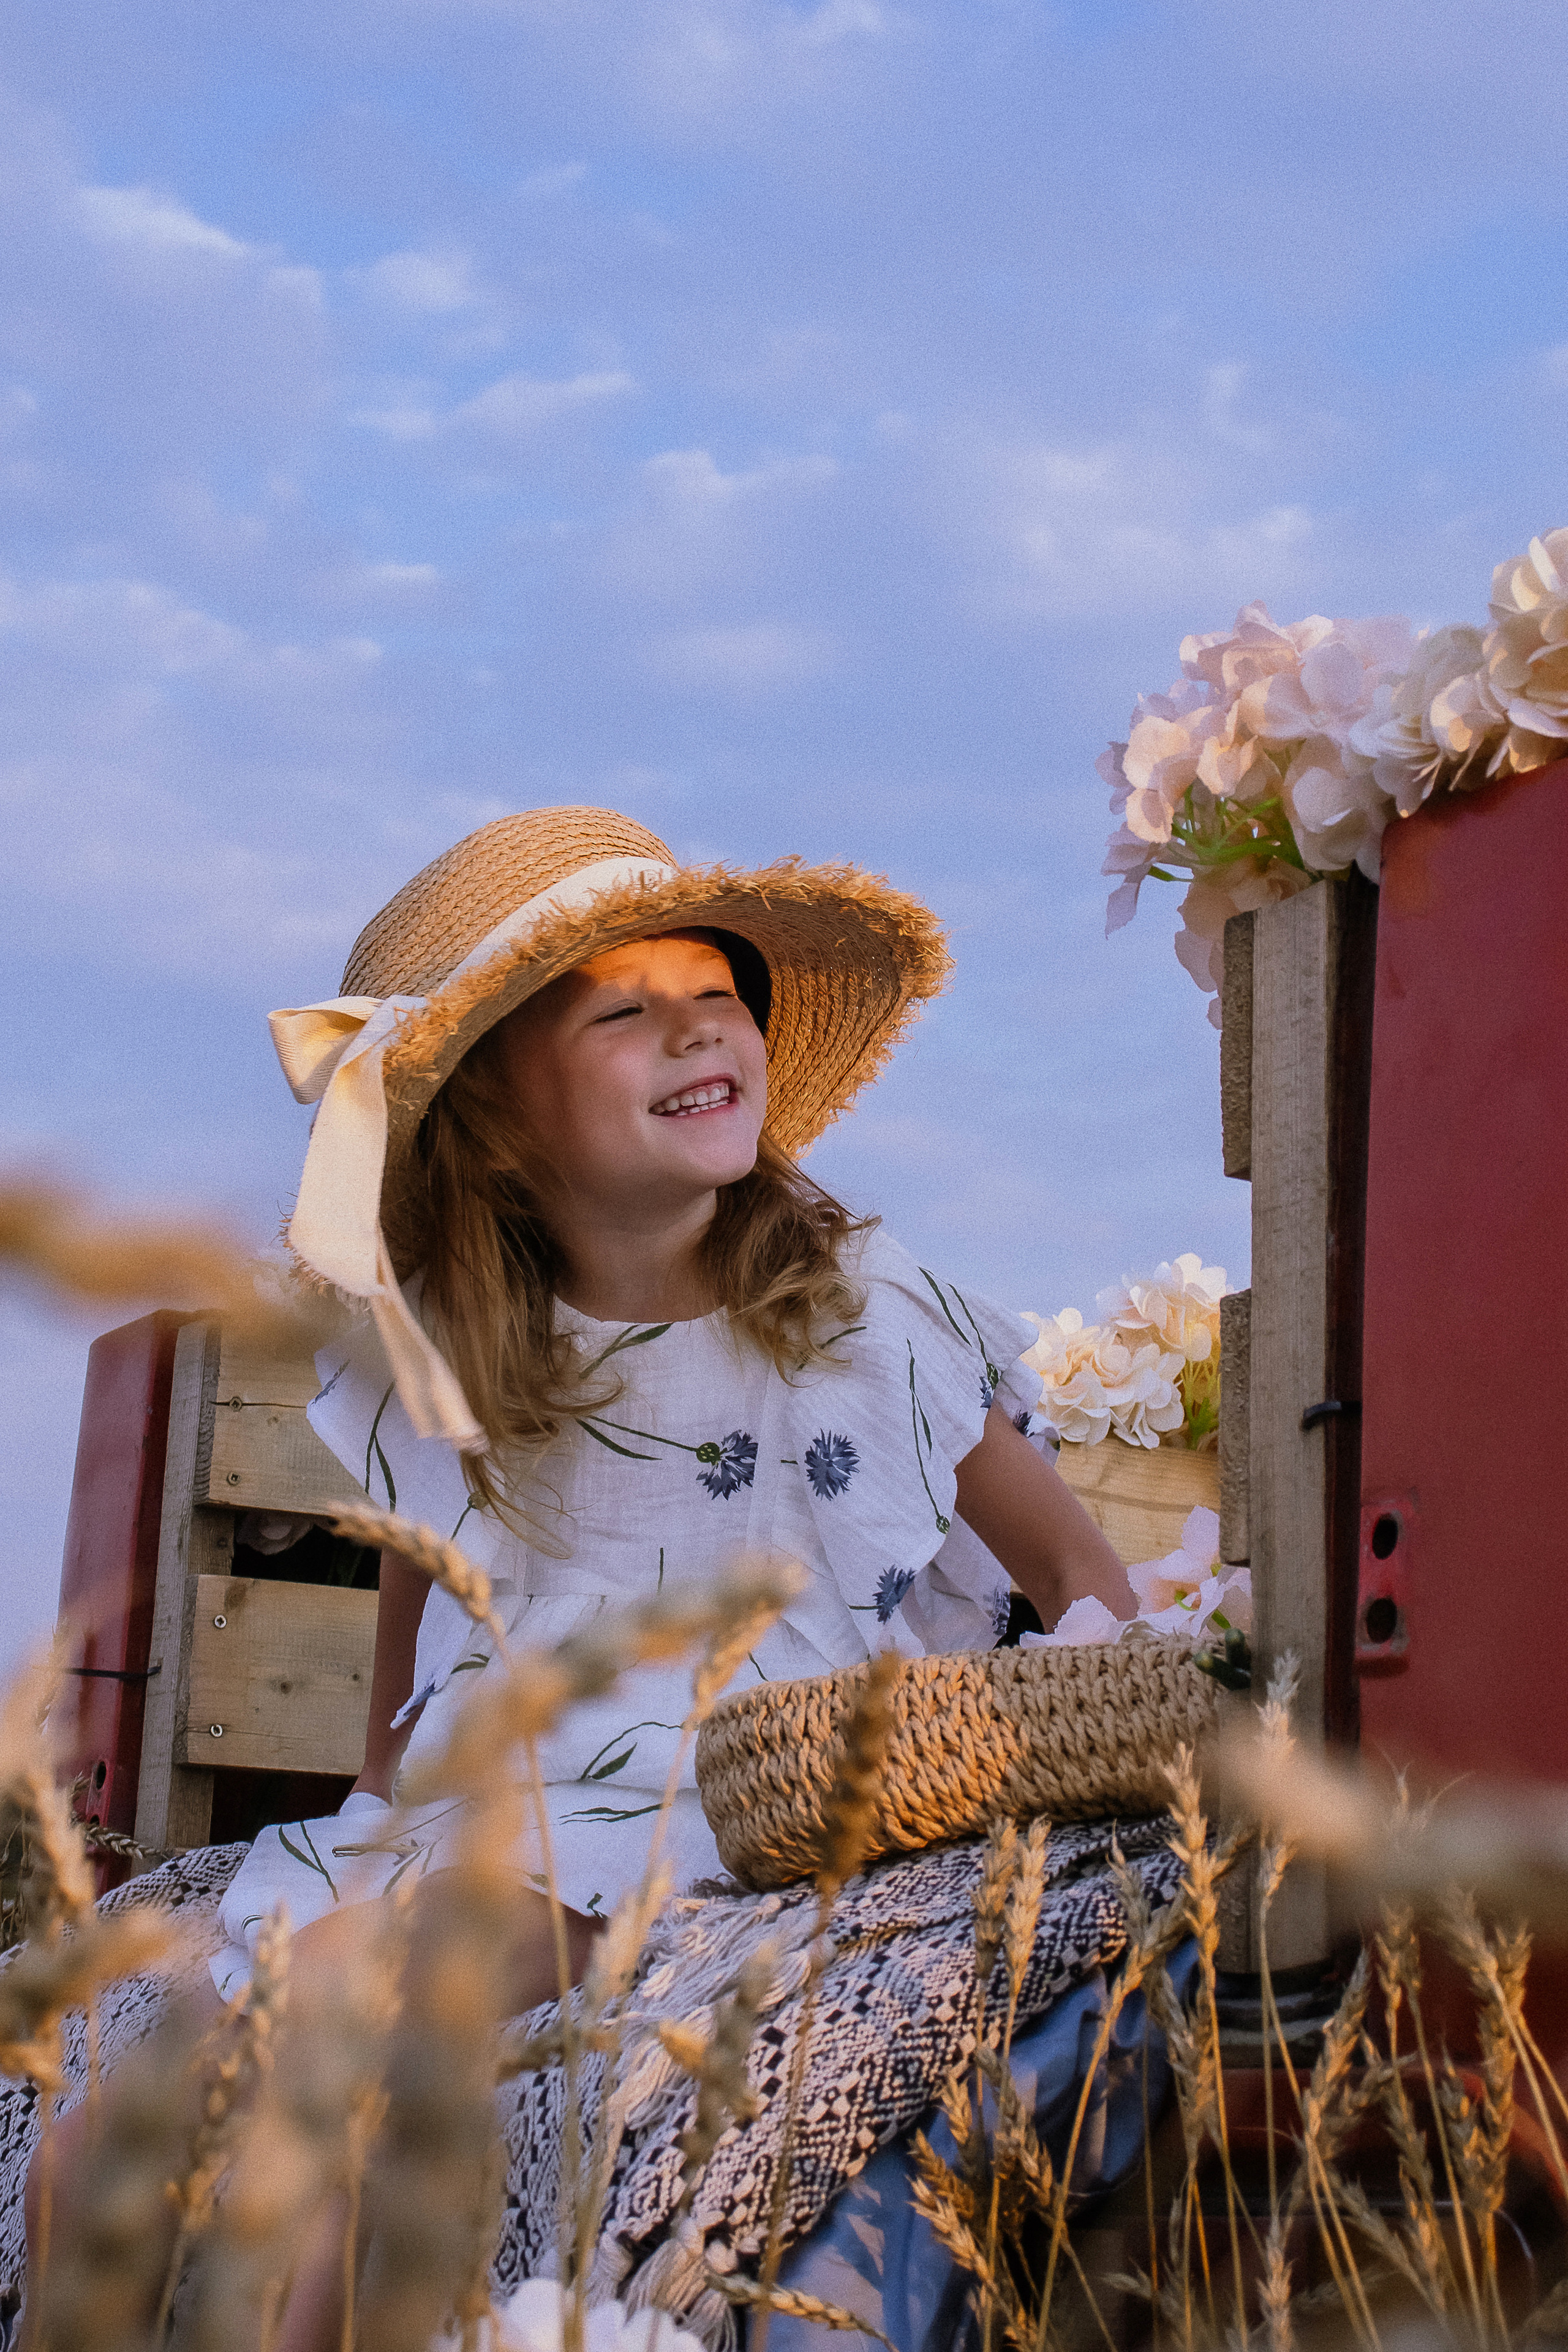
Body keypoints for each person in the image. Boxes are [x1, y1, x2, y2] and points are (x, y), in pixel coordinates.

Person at [26, 805, 1134, 2348]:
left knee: (362, 2122)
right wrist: (374, 1810)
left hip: (723, 1782)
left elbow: (1077, 1564)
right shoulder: (470, 1340)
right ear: (500, 1115)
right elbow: (427, 1590)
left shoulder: (862, 1311)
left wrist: (1115, 1716)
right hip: (493, 1786)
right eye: (625, 1011)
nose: (701, 1029)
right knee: (110, 2140)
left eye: (719, 993)